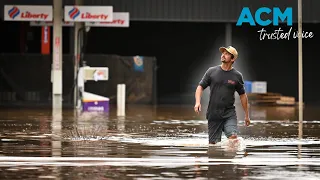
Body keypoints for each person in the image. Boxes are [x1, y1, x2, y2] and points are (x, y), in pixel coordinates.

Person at [194, 46, 250, 145]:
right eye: (223, 53)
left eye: (227, 53)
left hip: (229, 113)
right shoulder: (211, 71)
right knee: (213, 145)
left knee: (233, 138)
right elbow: (200, 87)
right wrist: (197, 102)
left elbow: (242, 95)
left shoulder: (237, 76)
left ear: (232, 59)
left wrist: (246, 115)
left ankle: (229, 159)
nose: (223, 55)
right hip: (213, 114)